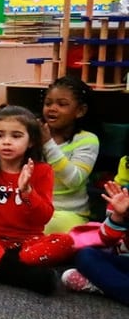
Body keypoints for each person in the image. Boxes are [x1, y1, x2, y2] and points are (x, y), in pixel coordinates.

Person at [0, 105, 75, 295]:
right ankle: (18, 272)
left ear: (31, 141)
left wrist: (28, 193)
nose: (6, 142)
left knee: (66, 242)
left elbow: (44, 217)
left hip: (26, 244)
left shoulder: (42, 171)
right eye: (0, 135)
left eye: (16, 136)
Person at [41, 76, 99, 233]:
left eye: (62, 104)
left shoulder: (87, 140)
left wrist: (48, 144)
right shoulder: (34, 136)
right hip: (36, 209)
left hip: (70, 215)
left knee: (40, 227)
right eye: (48, 103)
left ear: (80, 111)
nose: (52, 108)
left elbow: (74, 180)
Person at [61, 180, 129, 305]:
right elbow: (106, 239)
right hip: (123, 261)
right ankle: (112, 287)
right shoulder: (123, 194)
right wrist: (118, 216)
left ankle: (103, 286)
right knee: (86, 255)